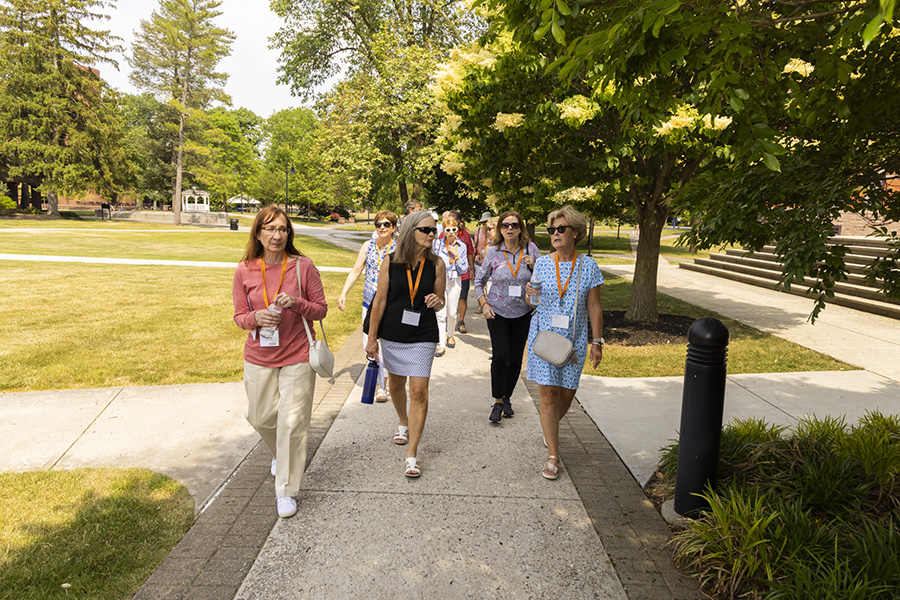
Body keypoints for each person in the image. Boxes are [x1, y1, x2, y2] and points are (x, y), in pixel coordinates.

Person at [232, 206, 328, 517]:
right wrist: (254, 318)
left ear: (290, 233)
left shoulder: (303, 266)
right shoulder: (245, 269)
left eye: (283, 229)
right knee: (259, 417)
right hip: (259, 354)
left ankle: (286, 490)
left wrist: (298, 303)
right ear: (258, 233)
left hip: (298, 354)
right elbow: (238, 316)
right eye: (270, 229)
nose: (277, 235)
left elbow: (320, 310)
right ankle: (280, 453)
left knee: (292, 423)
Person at [365, 211, 446, 478]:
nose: (432, 235)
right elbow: (379, 301)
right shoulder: (391, 262)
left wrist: (437, 301)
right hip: (393, 332)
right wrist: (372, 338)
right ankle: (403, 420)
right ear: (411, 230)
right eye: (426, 230)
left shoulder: (438, 264)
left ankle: (412, 453)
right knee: (396, 384)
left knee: (419, 390)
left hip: (423, 332)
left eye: (434, 230)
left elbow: (441, 299)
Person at [525, 205, 604, 481]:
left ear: (576, 233)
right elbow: (532, 302)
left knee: (566, 394)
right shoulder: (544, 263)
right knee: (547, 395)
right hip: (544, 338)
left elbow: (594, 306)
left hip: (575, 340)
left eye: (561, 229)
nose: (555, 234)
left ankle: (549, 430)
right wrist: (529, 294)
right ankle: (553, 455)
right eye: (552, 230)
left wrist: (597, 341)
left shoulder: (589, 266)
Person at [475, 211, 541, 423]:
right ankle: (496, 402)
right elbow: (478, 282)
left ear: (521, 228)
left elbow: (544, 280)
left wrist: (534, 266)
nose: (510, 229)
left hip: (523, 312)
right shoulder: (493, 252)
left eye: (514, 225)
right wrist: (484, 304)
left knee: (514, 359)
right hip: (497, 312)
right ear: (500, 229)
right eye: (505, 225)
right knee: (501, 356)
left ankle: (507, 398)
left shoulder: (531, 249)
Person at [337, 210, 398, 402]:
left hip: (390, 304)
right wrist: (343, 293)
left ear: (393, 228)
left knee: (386, 344)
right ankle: (379, 379)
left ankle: (382, 386)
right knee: (368, 344)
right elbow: (356, 271)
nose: (382, 228)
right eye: (379, 224)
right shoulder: (367, 246)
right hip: (369, 302)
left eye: (386, 224)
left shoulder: (399, 247)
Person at [432, 215, 469, 357]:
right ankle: (441, 344)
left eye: (454, 229)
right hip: (440, 280)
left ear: (458, 230)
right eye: (448, 230)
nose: (451, 232)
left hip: (455, 281)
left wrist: (456, 256)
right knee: (440, 313)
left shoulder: (462, 246)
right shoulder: (437, 244)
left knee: (452, 313)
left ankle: (450, 334)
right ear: (444, 231)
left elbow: (464, 269)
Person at [451, 210, 476, 334]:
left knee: (463, 297)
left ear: (459, 221)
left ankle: (461, 321)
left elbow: (470, 254)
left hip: (463, 272)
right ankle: (449, 320)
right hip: (448, 273)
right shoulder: (442, 235)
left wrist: (471, 269)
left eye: (453, 218)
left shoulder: (465, 235)